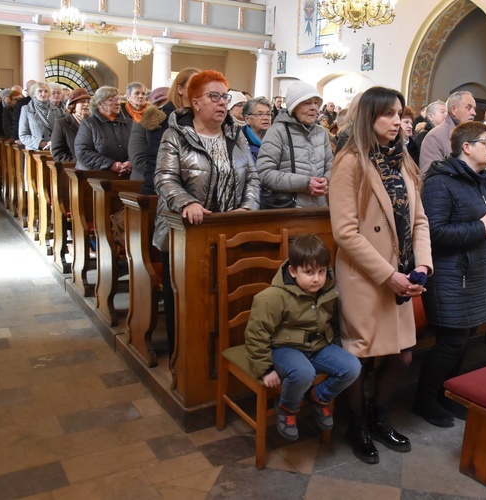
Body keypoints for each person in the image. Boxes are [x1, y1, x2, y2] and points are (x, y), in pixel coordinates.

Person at [329, 86, 433, 464]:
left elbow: (419, 218)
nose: (398, 121)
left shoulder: (403, 159)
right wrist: (388, 275)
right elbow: (345, 232)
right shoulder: (350, 162)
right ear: (368, 118)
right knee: (359, 356)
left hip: (402, 272)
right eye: (388, 114)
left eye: (400, 113)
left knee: (402, 355)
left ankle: (380, 414)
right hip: (365, 275)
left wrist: (422, 264)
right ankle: (356, 423)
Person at [152, 70, 260, 352]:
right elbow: (164, 178)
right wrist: (187, 202)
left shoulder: (236, 137)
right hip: (186, 231)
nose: (223, 103)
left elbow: (253, 177)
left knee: (224, 299)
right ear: (196, 102)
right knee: (189, 302)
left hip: (228, 229)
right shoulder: (174, 135)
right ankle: (185, 360)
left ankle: (220, 356)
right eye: (214, 96)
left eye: (225, 97)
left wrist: (248, 208)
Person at [413, 121, 486, 428]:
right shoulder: (440, 182)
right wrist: (480, 229)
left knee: (464, 339)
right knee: (451, 341)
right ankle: (424, 401)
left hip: (476, 272)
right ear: (467, 147)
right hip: (450, 275)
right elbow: (434, 232)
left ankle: (446, 395)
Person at [244, 235, 361, 441]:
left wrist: (336, 348)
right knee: (303, 373)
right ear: (292, 271)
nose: (316, 278)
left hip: (317, 346)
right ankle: (287, 408)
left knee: (352, 367)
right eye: (308, 272)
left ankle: (319, 397)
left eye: (321, 272)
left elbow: (331, 323)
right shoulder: (272, 297)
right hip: (284, 348)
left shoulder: (326, 290)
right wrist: (265, 370)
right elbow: (256, 334)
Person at [256, 81, 333, 208]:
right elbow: (265, 173)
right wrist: (305, 183)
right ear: (294, 107)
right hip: (290, 210)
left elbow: (331, 165)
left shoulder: (321, 133)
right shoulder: (277, 131)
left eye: (316, 103)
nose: (314, 107)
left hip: (320, 208)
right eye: (307, 103)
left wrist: (326, 180)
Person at [74, 86, 132, 172]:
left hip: (126, 173)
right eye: (111, 100)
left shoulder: (129, 123)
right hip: (96, 175)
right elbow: (82, 151)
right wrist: (111, 164)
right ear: (100, 104)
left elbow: (139, 148)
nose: (117, 103)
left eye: (118, 99)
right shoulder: (89, 123)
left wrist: (130, 162)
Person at [419, 91, 476, 173]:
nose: (474, 113)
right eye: (468, 107)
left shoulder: (476, 136)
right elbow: (431, 177)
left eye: (474, 108)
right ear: (454, 110)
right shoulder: (434, 137)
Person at [128, 86, 170, 191]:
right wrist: (168, 174)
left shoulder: (177, 125)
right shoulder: (140, 127)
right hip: (144, 182)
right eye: (159, 104)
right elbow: (138, 160)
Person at [19, 82, 64, 150]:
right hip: (35, 151)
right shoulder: (27, 109)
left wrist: (53, 143)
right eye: (40, 91)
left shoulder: (57, 110)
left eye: (46, 91)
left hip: (53, 149)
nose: (43, 94)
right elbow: (23, 135)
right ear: (34, 93)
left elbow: (62, 132)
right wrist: (39, 143)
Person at [50, 88, 90, 163]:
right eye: (82, 101)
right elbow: (58, 153)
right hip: (73, 169)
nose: (86, 104)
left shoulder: (93, 123)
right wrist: (79, 163)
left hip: (95, 168)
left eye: (88, 102)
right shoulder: (62, 123)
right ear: (73, 106)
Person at [410, 100, 447, 166]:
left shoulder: (448, 134)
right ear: (430, 116)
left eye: (447, 112)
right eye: (442, 112)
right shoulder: (423, 136)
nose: (446, 115)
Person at [241, 96, 272, 161]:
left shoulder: (276, 138)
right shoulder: (239, 141)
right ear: (247, 119)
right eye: (260, 114)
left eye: (268, 114)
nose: (266, 118)